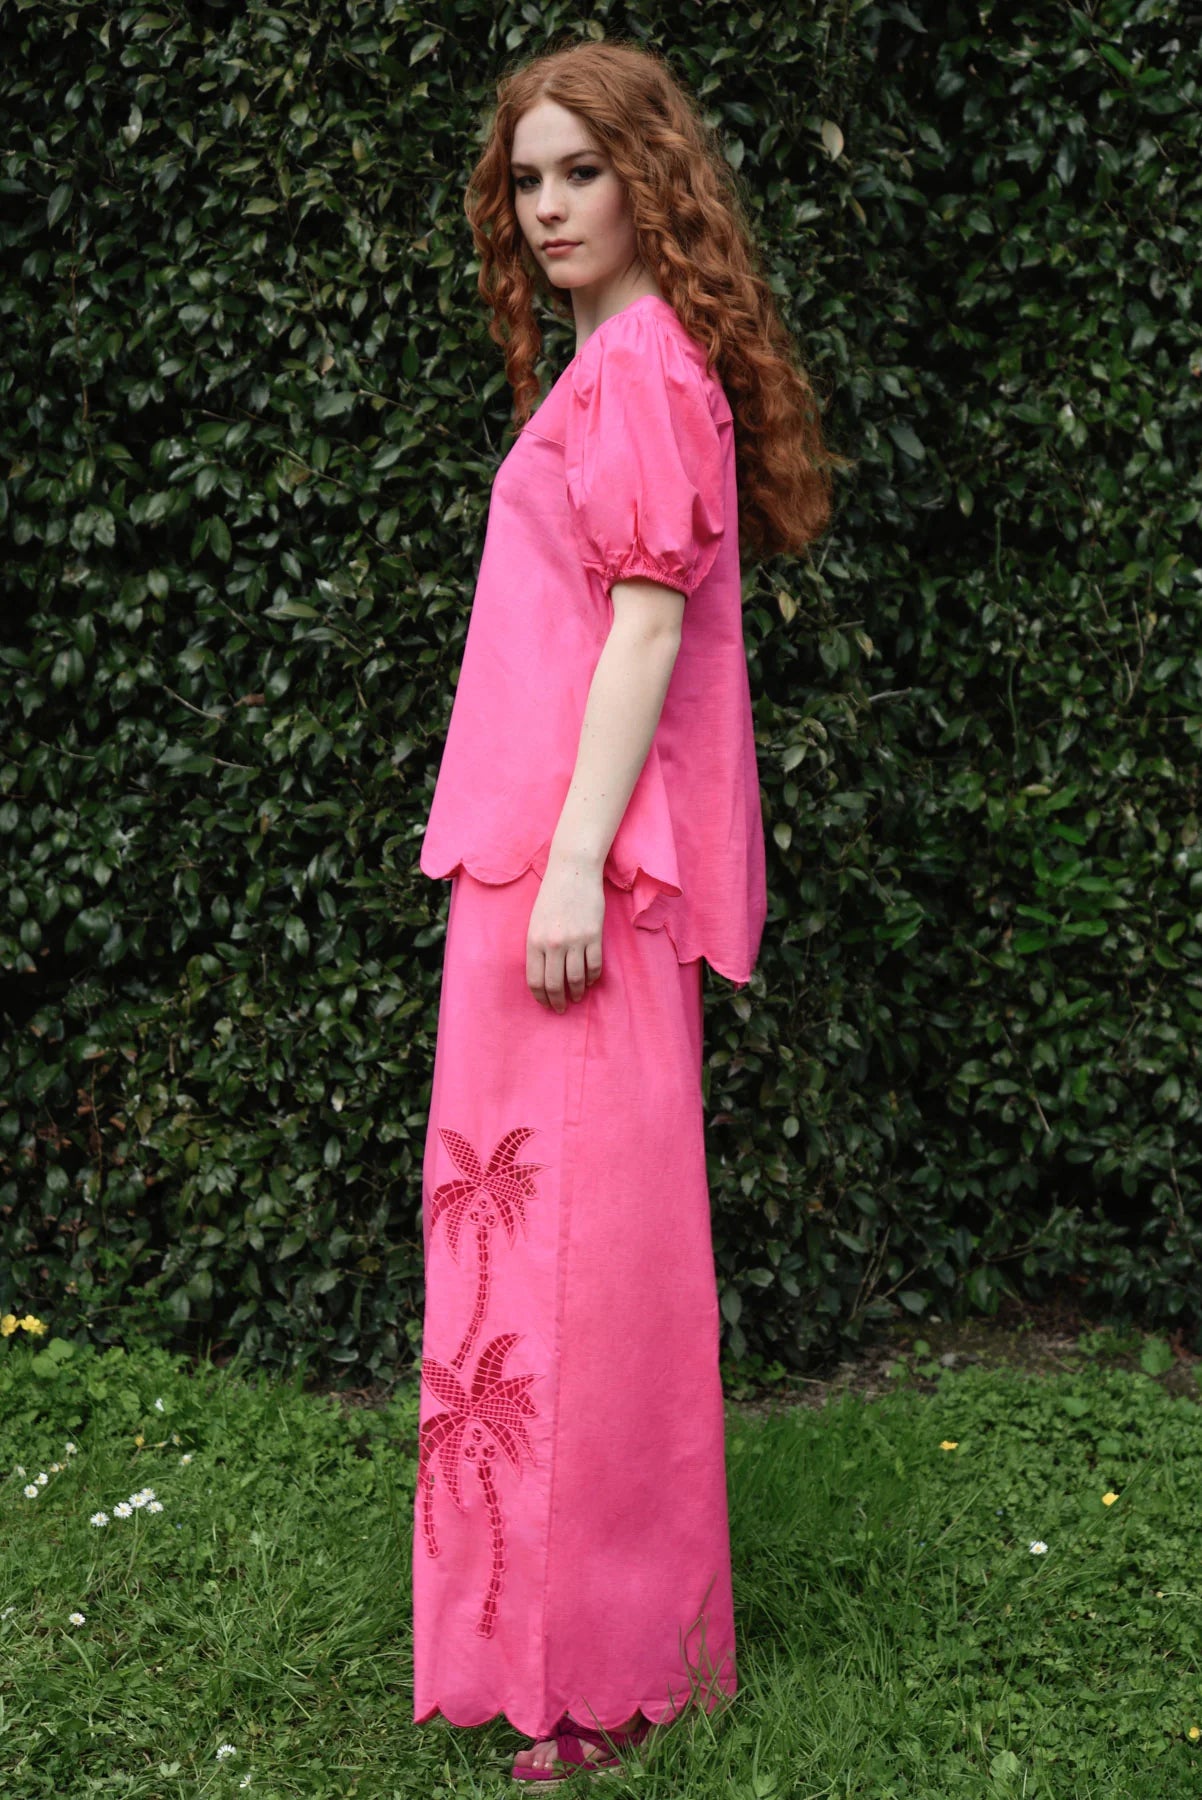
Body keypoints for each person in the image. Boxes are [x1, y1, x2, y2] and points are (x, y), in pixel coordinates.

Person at [412, 36, 846, 1787]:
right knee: (533, 1256)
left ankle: (596, 1670)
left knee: (582, 1268)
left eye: (579, 171)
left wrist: (579, 861)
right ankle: (542, 1634)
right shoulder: (612, 360)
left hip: (573, 877)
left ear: (650, 175)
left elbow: (650, 628)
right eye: (525, 178)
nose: (546, 207)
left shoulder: (648, 368)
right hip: (530, 865)